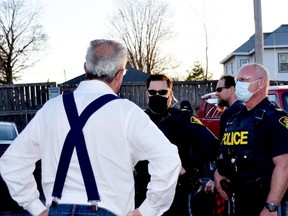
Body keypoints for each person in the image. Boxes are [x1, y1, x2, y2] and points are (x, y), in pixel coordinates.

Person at [0, 39, 181, 216]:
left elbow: (12, 162)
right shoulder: (126, 112)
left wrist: (35, 208)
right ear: (120, 74)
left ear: (86, 68)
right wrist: (148, 211)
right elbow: (168, 159)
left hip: (57, 208)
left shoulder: (50, 109)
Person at [134, 74, 220, 216]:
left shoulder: (183, 119)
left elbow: (212, 144)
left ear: (170, 94)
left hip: (176, 191)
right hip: (144, 190)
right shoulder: (138, 120)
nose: (157, 96)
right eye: (153, 92)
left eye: (162, 92)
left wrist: (187, 167)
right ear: (147, 94)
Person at [214, 63, 288, 216]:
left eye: (244, 79)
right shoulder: (234, 118)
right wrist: (218, 172)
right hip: (237, 200)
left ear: (261, 83)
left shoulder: (274, 118)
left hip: (263, 202)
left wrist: (271, 206)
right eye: (237, 80)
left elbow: (284, 165)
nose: (238, 84)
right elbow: (225, 151)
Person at [215, 75, 244, 140]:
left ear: (231, 90)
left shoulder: (231, 112)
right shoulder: (243, 107)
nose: (216, 93)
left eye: (219, 90)